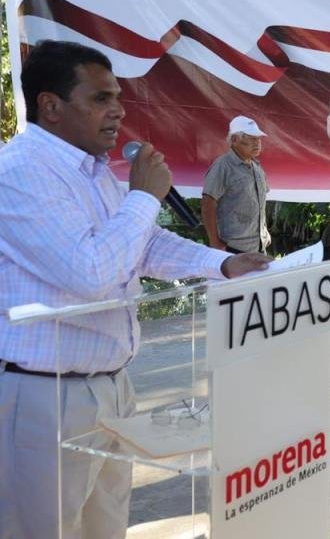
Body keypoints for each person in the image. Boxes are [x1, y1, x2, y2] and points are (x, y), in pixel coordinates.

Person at [0, 40, 270, 539]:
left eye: (117, 97)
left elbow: (140, 246)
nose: (118, 111)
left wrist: (225, 263)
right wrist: (143, 195)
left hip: (111, 387)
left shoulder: (95, 171)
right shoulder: (19, 173)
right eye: (101, 98)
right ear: (51, 105)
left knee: (104, 529)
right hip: (44, 395)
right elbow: (91, 272)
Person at [202, 115, 271, 253]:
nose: (257, 142)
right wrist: (214, 241)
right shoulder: (223, 165)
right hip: (233, 249)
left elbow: (259, 204)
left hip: (259, 247)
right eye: (251, 137)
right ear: (234, 140)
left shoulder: (256, 167)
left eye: (258, 138)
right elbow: (207, 202)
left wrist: (264, 231)